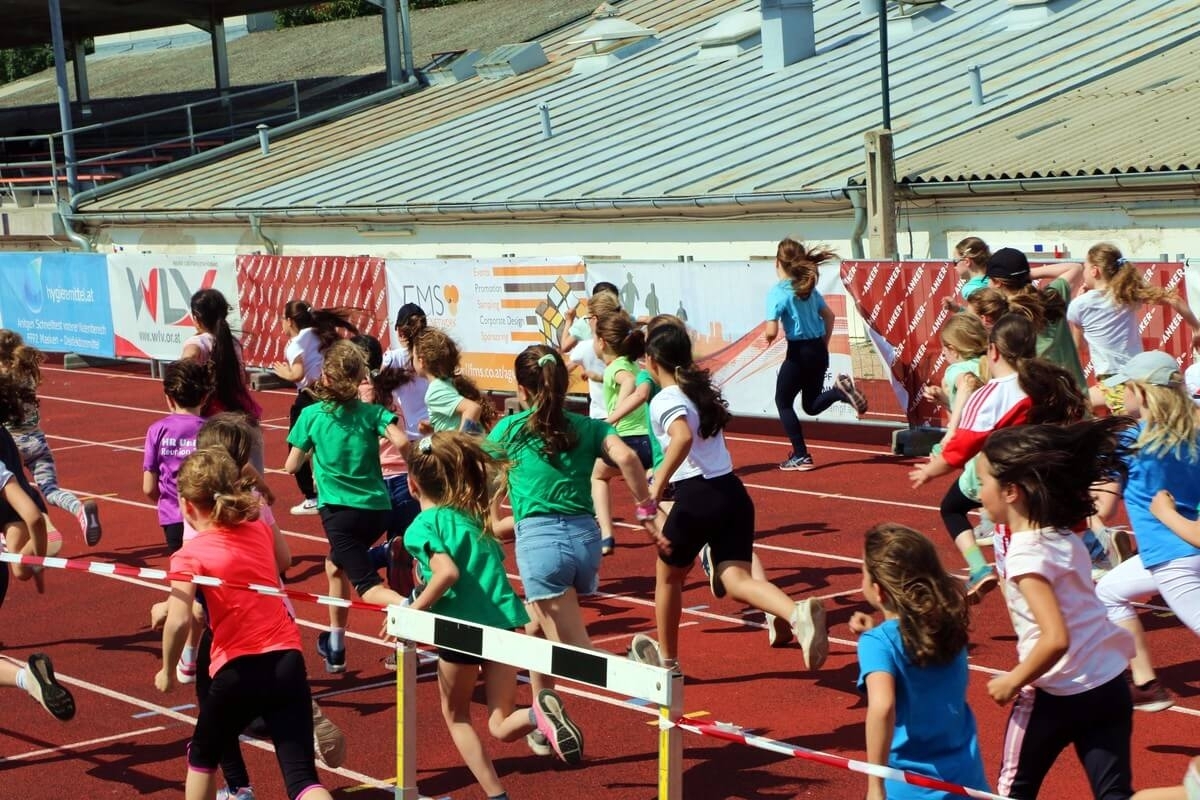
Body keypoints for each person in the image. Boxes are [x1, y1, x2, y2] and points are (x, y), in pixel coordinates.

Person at [631, 323, 828, 672]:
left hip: (697, 495)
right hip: (732, 493)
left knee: (668, 578)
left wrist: (656, 486)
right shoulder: (699, 391)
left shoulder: (664, 397)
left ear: (650, 360)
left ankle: (668, 663)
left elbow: (681, 438)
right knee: (736, 580)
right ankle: (796, 615)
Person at [488, 345, 655, 753]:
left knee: (577, 653)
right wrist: (645, 507)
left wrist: (491, 513)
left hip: (542, 550)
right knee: (532, 630)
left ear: (520, 389)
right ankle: (544, 717)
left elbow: (482, 480)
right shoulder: (591, 427)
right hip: (585, 543)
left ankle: (632, 666)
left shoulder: (508, 432)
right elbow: (629, 458)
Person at [405, 431, 584, 795]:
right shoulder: (472, 521)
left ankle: (496, 794)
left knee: (456, 717)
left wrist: (412, 615)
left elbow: (447, 573)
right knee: (499, 723)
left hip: (461, 629)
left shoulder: (422, 526)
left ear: (411, 485)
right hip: (503, 624)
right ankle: (538, 716)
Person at [156, 447, 335, 800]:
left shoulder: (188, 555)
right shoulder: (256, 526)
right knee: (302, 778)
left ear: (188, 507)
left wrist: (166, 669)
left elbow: (178, 622)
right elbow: (284, 560)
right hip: (287, 659)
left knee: (202, 756)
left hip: (237, 668)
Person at [978, 419, 1136, 800]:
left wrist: (1013, 679)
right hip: (1108, 684)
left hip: (1055, 694)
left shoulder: (1025, 554)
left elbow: (1055, 638)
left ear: (1012, 492)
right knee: (1115, 795)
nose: (978, 494)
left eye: (982, 483)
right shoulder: (1064, 535)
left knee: (1012, 792)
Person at [910, 314, 1088, 601]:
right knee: (1063, 574)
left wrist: (932, 470)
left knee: (1019, 582)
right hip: (1055, 487)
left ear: (993, 350)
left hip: (1016, 496)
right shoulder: (1051, 382)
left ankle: (1040, 633)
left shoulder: (993, 393)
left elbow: (963, 444)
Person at [284, 339, 412, 673]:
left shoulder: (311, 415)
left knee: (368, 589)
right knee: (333, 566)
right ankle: (336, 645)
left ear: (325, 378)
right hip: (376, 508)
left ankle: (416, 607)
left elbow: (290, 465)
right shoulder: (372, 413)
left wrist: (313, 452)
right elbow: (400, 440)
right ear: (358, 379)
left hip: (341, 514)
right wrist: (412, 473)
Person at [1093, 351, 1200, 713]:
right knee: (1108, 590)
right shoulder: (1195, 434)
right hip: (1187, 543)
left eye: (1126, 387)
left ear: (1143, 391)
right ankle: (1145, 684)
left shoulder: (1128, 443)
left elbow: (1103, 508)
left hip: (1171, 559)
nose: (1122, 394)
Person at [850, 523, 988, 800]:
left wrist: (875, 785)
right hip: (967, 780)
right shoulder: (949, 627)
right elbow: (911, 646)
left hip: (910, 787)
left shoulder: (878, 644)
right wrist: (874, 635)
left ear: (879, 591)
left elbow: (883, 705)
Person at [764, 237, 867, 471]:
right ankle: (839, 393)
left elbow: (771, 330)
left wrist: (767, 337)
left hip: (799, 352)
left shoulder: (778, 292)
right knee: (810, 405)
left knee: (783, 402)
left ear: (777, 262)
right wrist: (824, 342)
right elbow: (829, 316)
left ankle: (801, 455)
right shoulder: (807, 287)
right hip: (818, 350)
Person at [1065, 243, 1200, 414]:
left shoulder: (1080, 304)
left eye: (1085, 267)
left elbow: (1080, 347)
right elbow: (1174, 299)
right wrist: (1196, 328)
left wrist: (1078, 301)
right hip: (1140, 373)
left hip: (1114, 378)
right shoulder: (1127, 294)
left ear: (1095, 270)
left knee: (1078, 407)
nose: (1083, 272)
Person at [0, 329, 101, 549]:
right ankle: (79, 510)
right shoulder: (26, 372)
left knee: (13, 490)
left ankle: (20, 532)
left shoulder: (4, 378)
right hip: (37, 441)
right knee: (51, 489)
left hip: (12, 444)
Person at [271, 300, 359, 515]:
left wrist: (283, 372)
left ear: (290, 321)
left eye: (282, 319)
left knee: (295, 444)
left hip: (309, 397)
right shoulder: (318, 332)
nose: (281, 324)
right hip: (330, 392)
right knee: (333, 438)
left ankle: (311, 496)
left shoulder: (294, 344)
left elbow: (298, 374)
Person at [922, 315, 990, 544]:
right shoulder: (989, 363)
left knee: (951, 510)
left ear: (953, 349)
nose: (943, 354)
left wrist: (951, 431)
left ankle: (978, 566)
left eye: (944, 349)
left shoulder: (956, 371)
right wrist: (943, 400)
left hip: (978, 460)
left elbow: (966, 384)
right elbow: (976, 404)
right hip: (1002, 450)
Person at [183, 289, 265, 474]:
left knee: (217, 480)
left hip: (214, 423)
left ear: (196, 317)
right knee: (252, 482)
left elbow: (186, 366)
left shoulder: (197, 344)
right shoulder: (233, 342)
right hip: (243, 414)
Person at [985, 247, 1088, 392]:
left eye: (988, 280)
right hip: (1076, 396)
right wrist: (1027, 274)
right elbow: (1076, 268)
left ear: (997, 282)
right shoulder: (1052, 297)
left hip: (1043, 401)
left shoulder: (1007, 320)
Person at [144, 359, 212, 555]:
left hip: (173, 517)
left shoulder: (157, 431)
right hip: (207, 517)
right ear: (205, 397)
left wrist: (167, 501)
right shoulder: (213, 430)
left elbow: (148, 487)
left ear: (169, 398)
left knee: (184, 576)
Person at [0, 371, 52, 605]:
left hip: (13, 506)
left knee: (21, 570)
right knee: (19, 570)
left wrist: (39, 558)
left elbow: (32, 517)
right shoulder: (4, 434)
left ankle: (49, 536)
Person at [410, 327, 494, 434]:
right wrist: (434, 427)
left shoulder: (434, 391)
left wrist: (461, 443)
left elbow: (473, 409)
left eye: (413, 356)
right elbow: (454, 422)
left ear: (422, 362)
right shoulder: (448, 382)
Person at [942, 237, 992, 312]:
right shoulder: (994, 281)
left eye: (955, 262)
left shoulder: (970, 288)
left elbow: (976, 320)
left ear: (967, 262)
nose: (955, 267)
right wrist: (958, 309)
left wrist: (959, 311)